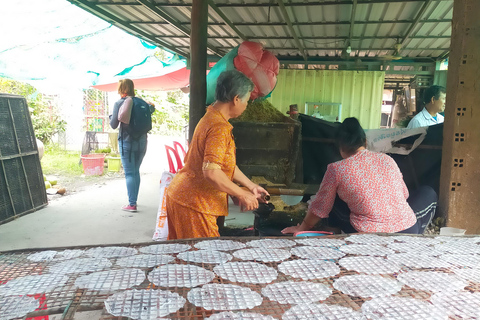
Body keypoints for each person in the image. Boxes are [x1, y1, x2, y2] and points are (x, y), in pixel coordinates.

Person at [282, 117, 436, 235]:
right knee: (428, 192)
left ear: (340, 148)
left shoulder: (337, 169)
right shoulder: (387, 159)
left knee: (330, 201)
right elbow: (405, 194)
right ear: (365, 141)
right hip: (407, 230)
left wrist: (301, 228)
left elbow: (320, 208)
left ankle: (334, 232)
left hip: (368, 235)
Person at [166, 70, 269, 239]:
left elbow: (223, 165)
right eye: (247, 101)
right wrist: (241, 194)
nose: (246, 106)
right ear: (236, 99)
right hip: (195, 203)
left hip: (184, 198)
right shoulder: (219, 127)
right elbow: (212, 172)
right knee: (202, 258)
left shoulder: (212, 117)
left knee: (185, 257)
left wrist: (251, 186)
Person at [109, 79, 150, 212]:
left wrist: (111, 116)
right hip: (142, 141)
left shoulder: (119, 103)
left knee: (129, 173)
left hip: (127, 142)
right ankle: (134, 200)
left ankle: (132, 204)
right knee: (135, 171)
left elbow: (114, 125)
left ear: (121, 89)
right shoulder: (142, 102)